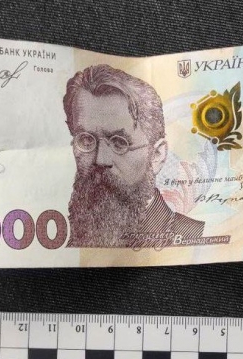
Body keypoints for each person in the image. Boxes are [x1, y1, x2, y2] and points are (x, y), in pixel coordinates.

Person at [63, 64, 205, 248]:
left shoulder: (195, 237)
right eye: (86, 140)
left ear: (157, 155)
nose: (101, 159)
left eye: (119, 143)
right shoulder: (71, 238)